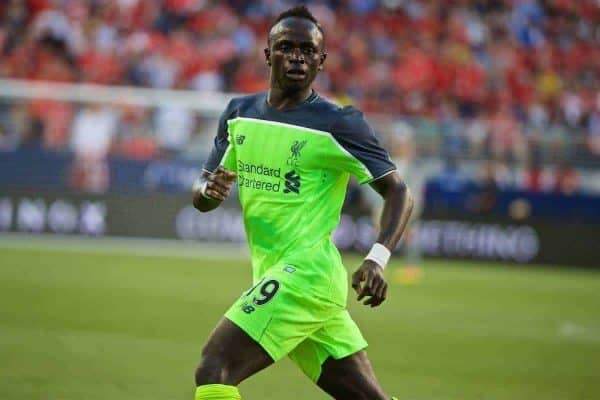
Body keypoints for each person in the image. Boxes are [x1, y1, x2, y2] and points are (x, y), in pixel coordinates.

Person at [192, 6, 413, 400]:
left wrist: (377, 258)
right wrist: (207, 192)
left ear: (321, 61)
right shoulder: (239, 114)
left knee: (214, 369)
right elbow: (204, 190)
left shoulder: (338, 123)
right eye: (286, 47)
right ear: (267, 54)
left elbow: (398, 191)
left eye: (308, 51)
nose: (297, 57)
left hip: (305, 276)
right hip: (280, 274)